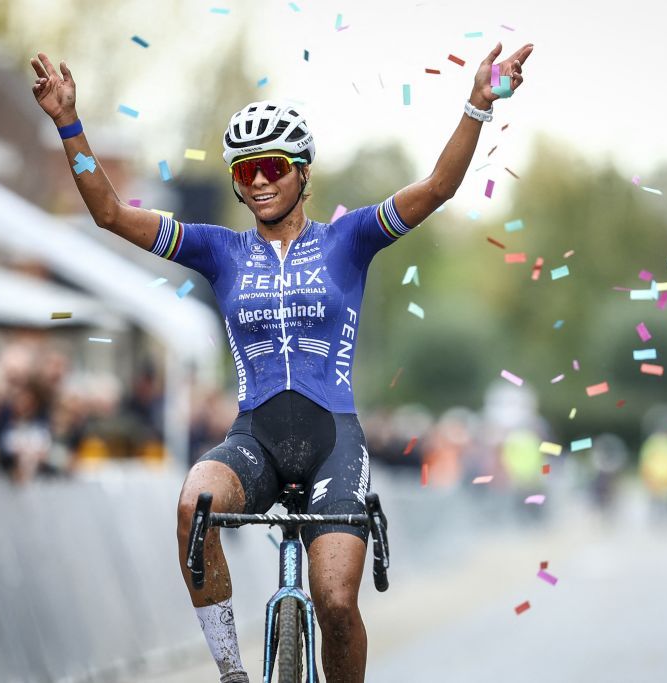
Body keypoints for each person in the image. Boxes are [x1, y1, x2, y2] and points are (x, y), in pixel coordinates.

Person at [30, 41, 533, 683]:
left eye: (271, 166)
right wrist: (66, 122)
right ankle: (233, 672)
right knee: (194, 504)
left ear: (302, 172)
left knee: (336, 602)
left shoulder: (349, 239)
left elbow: (437, 188)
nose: (260, 180)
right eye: (245, 173)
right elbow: (108, 212)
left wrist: (477, 105)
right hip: (254, 440)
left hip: (333, 441)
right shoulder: (218, 250)